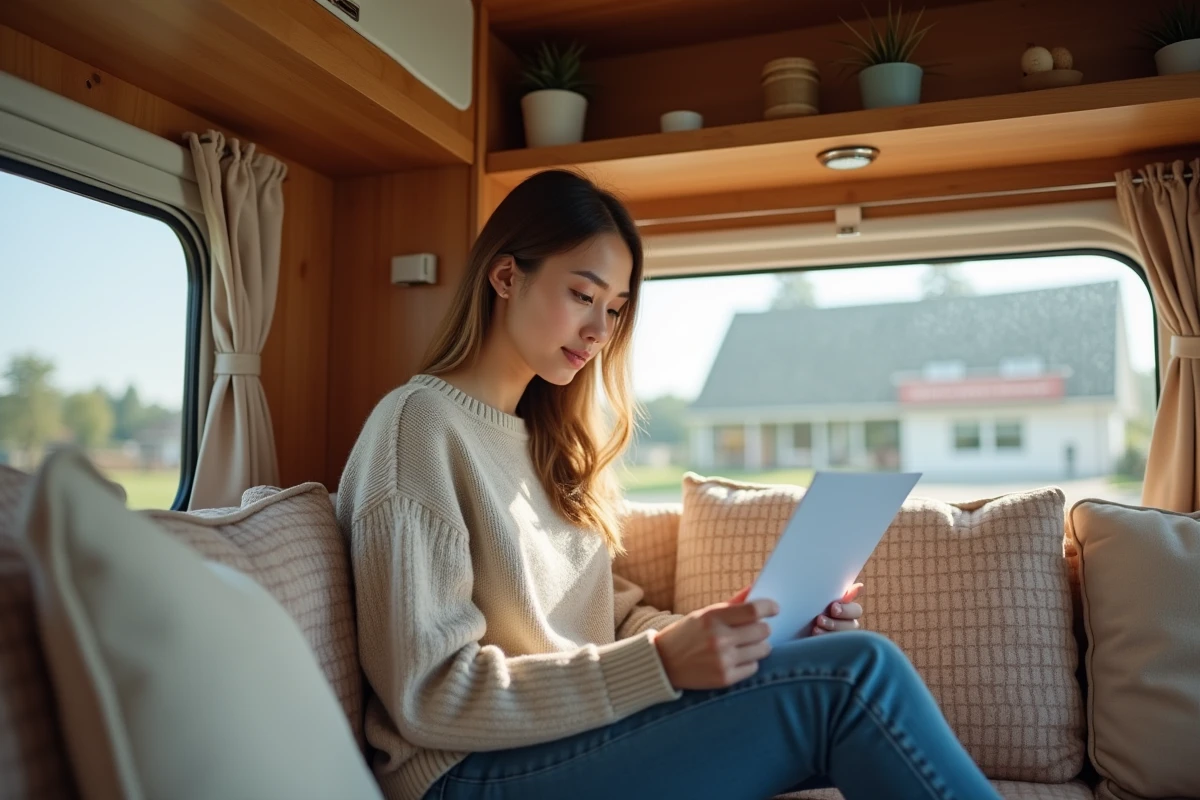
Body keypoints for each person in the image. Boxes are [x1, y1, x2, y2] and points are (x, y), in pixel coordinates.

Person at [336, 169, 1001, 800]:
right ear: (507, 275)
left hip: (565, 741)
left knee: (844, 663)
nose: (599, 330)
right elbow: (428, 692)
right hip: (466, 776)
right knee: (854, 676)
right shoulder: (419, 425)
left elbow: (611, 620)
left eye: (617, 309)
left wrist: (742, 634)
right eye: (582, 295)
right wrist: (657, 663)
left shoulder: (548, 443)